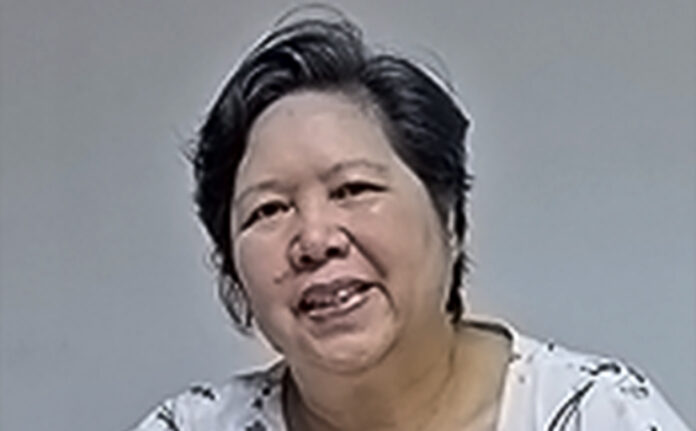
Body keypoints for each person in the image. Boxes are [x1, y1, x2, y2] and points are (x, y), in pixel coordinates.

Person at [131, 10, 691, 431]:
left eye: (352, 189)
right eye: (269, 209)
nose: (315, 239)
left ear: (449, 218)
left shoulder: (597, 415)